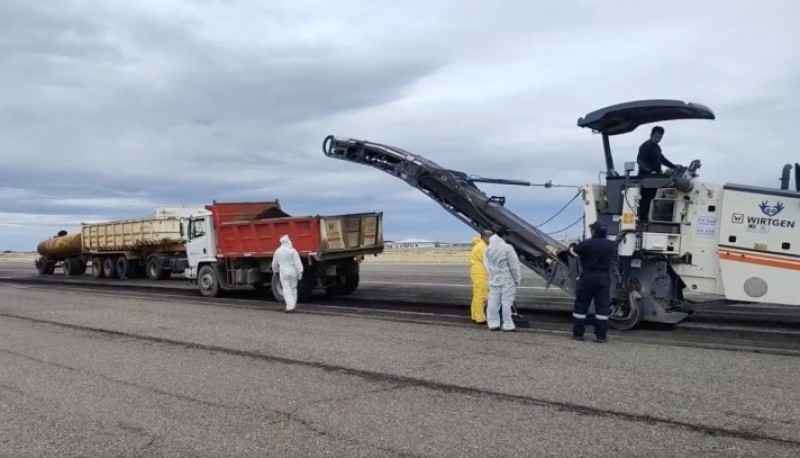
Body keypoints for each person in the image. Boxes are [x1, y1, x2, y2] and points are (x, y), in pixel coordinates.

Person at [568, 221, 618, 343]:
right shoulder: (612, 245)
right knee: (602, 307)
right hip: (604, 278)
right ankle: (601, 336)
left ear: (594, 231)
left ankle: (578, 334)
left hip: (588, 276)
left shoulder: (587, 244)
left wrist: (572, 246)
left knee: (582, 304)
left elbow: (573, 253)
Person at [483, 232, 522, 332]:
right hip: (506, 279)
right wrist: (517, 279)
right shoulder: (507, 247)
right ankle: (508, 324)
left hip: (493, 279)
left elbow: (486, 265)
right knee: (506, 303)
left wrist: (493, 274)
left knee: (493, 302)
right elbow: (514, 266)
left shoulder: (487, 249)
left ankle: (493, 324)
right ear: (503, 236)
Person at [271, 234, 304, 312]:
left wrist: (275, 271)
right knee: (293, 288)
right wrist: (300, 272)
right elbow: (297, 263)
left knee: (286, 289)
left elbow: (274, 263)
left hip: (283, 273)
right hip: (293, 272)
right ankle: (293, 305)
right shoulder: (293, 251)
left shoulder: (277, 251)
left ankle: (289, 306)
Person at [469, 230, 492, 324]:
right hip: (480, 273)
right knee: (481, 295)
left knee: (477, 295)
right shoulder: (482, 247)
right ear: (485, 237)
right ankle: (479, 318)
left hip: (479, 272)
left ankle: (475, 315)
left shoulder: (481, 245)